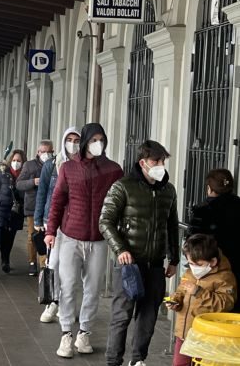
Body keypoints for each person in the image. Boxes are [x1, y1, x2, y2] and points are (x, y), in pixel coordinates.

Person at [44, 122, 123, 358]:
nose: (98, 143)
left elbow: (120, 203)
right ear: (86, 141)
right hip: (70, 237)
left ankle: (85, 332)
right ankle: (66, 333)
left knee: (93, 288)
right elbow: (57, 201)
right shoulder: (68, 168)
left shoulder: (113, 170)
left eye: (102, 139)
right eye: (94, 139)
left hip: (99, 239)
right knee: (67, 286)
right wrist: (50, 231)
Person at [100, 140, 180, 366]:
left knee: (148, 317)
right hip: (129, 264)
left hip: (155, 263)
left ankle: (138, 360)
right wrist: (121, 249)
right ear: (143, 162)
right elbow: (105, 221)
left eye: (163, 161)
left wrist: (174, 259)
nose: (160, 165)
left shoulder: (168, 190)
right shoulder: (123, 186)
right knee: (122, 316)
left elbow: (172, 226)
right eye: (156, 160)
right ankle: (113, 361)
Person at [166, 234, 237, 366]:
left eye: (198, 264)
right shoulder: (189, 272)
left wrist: (199, 292)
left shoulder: (224, 277)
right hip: (183, 332)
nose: (193, 268)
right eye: (190, 263)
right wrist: (176, 301)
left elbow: (225, 304)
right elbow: (181, 290)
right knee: (179, 363)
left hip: (205, 335)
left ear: (213, 262)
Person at [34, 127, 80, 323]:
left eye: (76, 140)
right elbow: (42, 193)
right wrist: (38, 219)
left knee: (70, 266)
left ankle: (64, 304)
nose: (72, 143)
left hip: (75, 221)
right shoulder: (52, 165)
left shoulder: (85, 165)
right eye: (69, 139)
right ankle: (51, 303)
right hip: (53, 220)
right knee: (53, 263)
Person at [188, 169, 240, 312]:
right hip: (237, 270)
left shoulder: (203, 211)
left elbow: (192, 244)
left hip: (211, 271)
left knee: (209, 311)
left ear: (209, 188)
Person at [16, 139, 54, 276]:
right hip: (33, 206)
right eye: (43, 151)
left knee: (47, 236)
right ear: (38, 152)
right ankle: (32, 262)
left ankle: (44, 262)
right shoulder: (29, 165)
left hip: (49, 206)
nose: (46, 154)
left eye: (49, 152)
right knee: (33, 236)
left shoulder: (55, 165)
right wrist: (32, 182)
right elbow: (19, 184)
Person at [0, 149, 25, 273]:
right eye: (14, 160)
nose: (16, 163)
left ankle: (6, 256)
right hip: (2, 208)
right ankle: (5, 259)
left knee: (11, 235)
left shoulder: (25, 175)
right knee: (3, 234)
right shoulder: (2, 174)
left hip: (16, 210)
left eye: (18, 160)